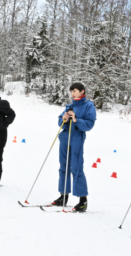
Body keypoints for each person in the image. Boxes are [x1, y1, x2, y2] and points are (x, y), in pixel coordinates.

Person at [51, 83, 96, 212]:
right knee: (63, 166)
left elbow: (89, 124)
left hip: (77, 137)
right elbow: (60, 121)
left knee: (76, 167)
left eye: (75, 91)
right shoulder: (69, 106)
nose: (73, 94)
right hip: (65, 137)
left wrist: (76, 120)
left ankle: (82, 200)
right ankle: (63, 196)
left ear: (82, 91)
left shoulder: (88, 105)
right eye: (71, 91)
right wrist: (64, 119)